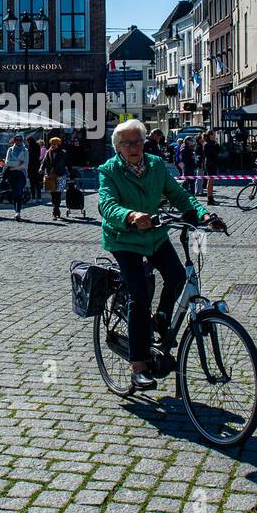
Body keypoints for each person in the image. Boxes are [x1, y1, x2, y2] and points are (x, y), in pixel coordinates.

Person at [98, 119, 224, 390]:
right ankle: (139, 366)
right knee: (139, 296)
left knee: (178, 276)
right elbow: (107, 204)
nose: (135, 147)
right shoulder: (109, 171)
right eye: (128, 143)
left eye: (138, 141)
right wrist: (130, 215)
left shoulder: (155, 165)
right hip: (124, 238)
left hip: (155, 235)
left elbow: (179, 194)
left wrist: (203, 213)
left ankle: (162, 318)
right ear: (118, 148)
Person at [41, 136, 71, 220]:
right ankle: (56, 209)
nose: (53, 145)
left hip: (60, 175)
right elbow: (44, 162)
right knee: (53, 194)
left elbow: (68, 164)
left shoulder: (63, 153)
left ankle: (55, 210)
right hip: (50, 175)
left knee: (58, 194)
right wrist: (41, 168)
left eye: (54, 144)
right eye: (51, 144)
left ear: (58, 144)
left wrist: (71, 173)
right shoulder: (48, 152)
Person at [5, 134, 29, 221]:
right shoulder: (10, 150)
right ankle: (16, 212)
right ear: (14, 140)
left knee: (19, 193)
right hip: (12, 175)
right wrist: (18, 163)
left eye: (20, 140)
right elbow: (7, 163)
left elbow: (25, 165)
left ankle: (18, 212)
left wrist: (14, 166)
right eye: (16, 140)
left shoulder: (25, 151)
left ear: (22, 141)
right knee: (14, 193)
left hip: (21, 175)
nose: (18, 141)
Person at [202, 130, 220, 205]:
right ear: (210, 135)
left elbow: (218, 150)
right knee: (210, 181)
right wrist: (216, 145)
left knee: (212, 181)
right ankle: (209, 199)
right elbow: (211, 154)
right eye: (214, 135)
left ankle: (211, 197)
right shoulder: (207, 144)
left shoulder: (212, 143)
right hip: (210, 164)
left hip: (213, 163)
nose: (215, 136)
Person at [25, 135, 42, 201]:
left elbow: (30, 157)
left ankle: (33, 198)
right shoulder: (37, 146)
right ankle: (39, 197)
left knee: (32, 183)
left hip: (31, 167)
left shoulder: (30, 147)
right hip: (37, 166)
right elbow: (38, 156)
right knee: (37, 183)